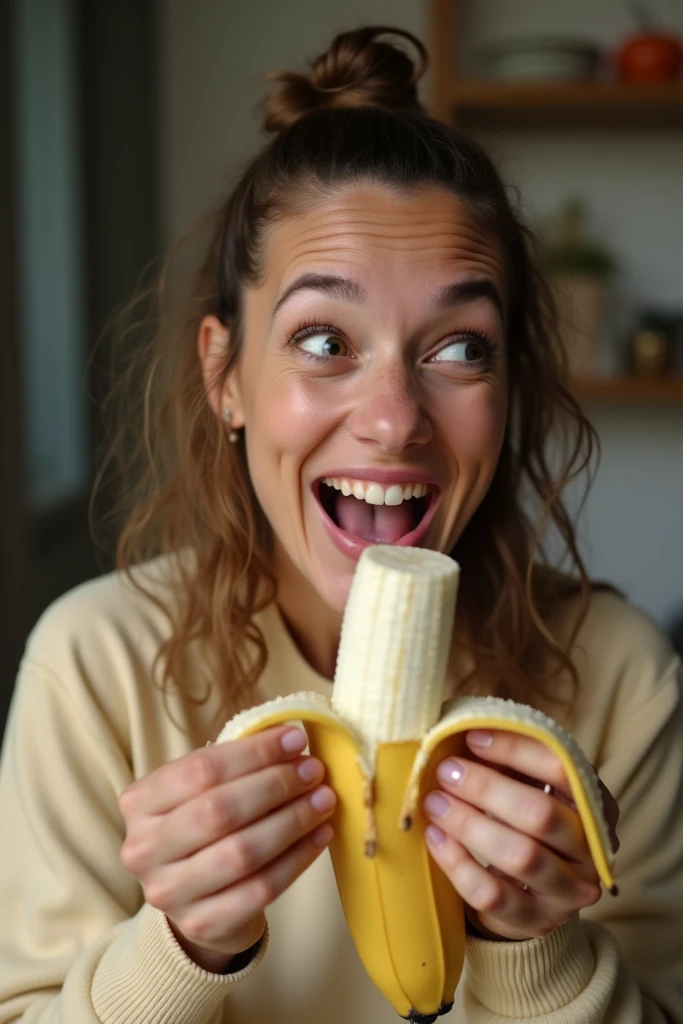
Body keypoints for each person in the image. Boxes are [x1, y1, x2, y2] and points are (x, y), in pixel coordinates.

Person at [0, 25, 681, 1024]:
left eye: (458, 348)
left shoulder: (619, 673)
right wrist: (175, 950)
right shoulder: (94, 668)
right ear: (223, 374)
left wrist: (537, 954)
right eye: (323, 339)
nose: (394, 418)